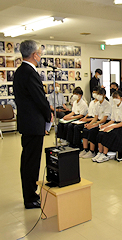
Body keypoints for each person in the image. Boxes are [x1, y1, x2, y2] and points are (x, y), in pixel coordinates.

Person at [13, 40, 51, 209]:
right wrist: (48, 116)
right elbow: (39, 99)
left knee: (28, 159)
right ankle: (30, 197)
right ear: (35, 55)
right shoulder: (29, 72)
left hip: (27, 122)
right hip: (33, 124)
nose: (40, 56)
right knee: (31, 161)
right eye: (40, 53)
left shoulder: (21, 71)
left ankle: (30, 193)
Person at [93, 91, 122, 163]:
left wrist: (111, 127)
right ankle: (100, 152)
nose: (115, 99)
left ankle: (105, 154)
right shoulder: (114, 106)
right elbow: (112, 120)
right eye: (114, 98)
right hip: (116, 124)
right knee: (100, 132)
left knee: (108, 134)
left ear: (121, 98)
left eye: (116, 98)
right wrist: (104, 126)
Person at [81, 88, 111, 159]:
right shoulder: (97, 104)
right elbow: (95, 117)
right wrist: (90, 124)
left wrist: (93, 126)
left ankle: (92, 151)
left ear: (104, 95)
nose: (99, 96)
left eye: (100, 94)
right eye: (98, 94)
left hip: (105, 122)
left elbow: (104, 119)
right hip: (98, 121)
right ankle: (85, 149)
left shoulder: (107, 105)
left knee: (92, 131)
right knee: (85, 129)